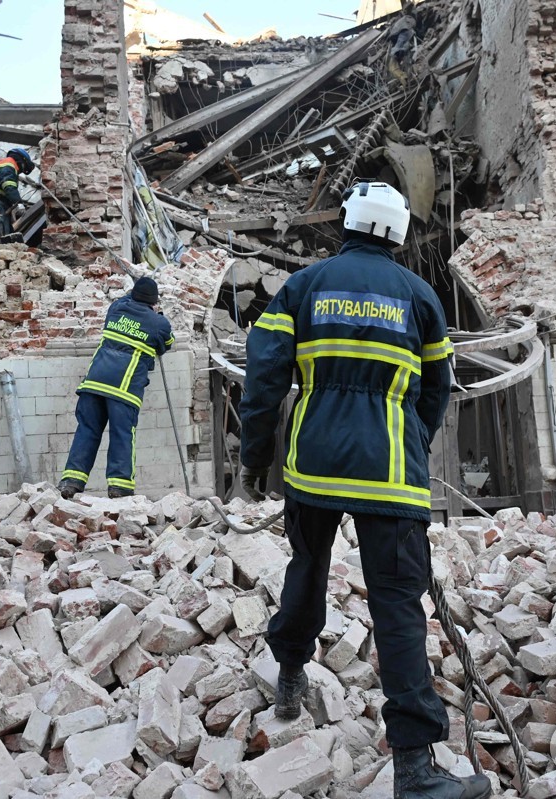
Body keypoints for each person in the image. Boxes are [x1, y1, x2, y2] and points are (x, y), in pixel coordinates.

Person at [237, 183, 489, 799]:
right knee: (398, 605)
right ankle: (415, 769)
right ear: (399, 233)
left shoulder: (304, 286)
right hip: (392, 474)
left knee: (308, 568)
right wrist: (406, 441)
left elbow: (265, 373)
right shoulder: (421, 296)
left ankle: (291, 673)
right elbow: (437, 392)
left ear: (347, 221)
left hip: (313, 467)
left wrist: (255, 458)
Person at [57, 276, 174, 499]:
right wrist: (158, 315)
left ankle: (71, 482)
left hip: (93, 383)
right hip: (123, 389)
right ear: (154, 301)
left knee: (87, 431)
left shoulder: (116, 309)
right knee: (122, 435)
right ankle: (119, 487)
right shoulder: (159, 323)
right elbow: (167, 343)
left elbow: (126, 299)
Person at [0, 148, 35, 240]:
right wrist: (18, 203)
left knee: (5, 235)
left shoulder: (6, 163)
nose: (20, 171)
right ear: (21, 160)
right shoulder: (9, 163)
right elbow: (8, 184)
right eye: (23, 168)